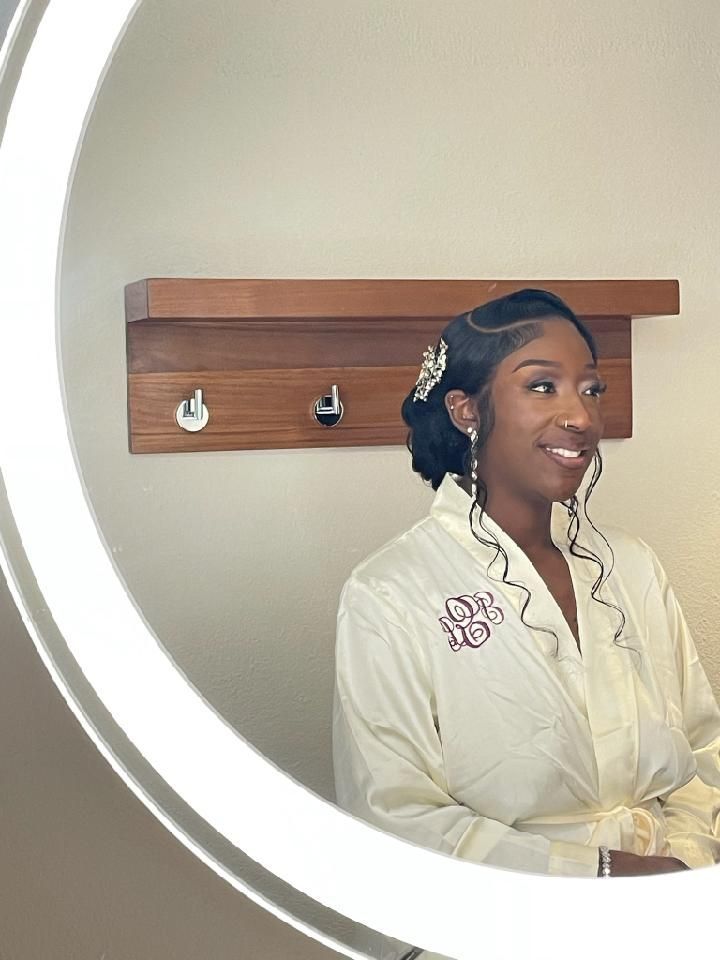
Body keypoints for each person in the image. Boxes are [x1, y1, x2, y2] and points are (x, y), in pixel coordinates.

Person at [333, 289, 720, 884]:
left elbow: (703, 753)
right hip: (503, 916)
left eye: (592, 389)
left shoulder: (631, 566)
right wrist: (602, 874)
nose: (581, 417)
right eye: (543, 386)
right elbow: (395, 816)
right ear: (466, 410)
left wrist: (684, 867)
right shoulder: (390, 594)